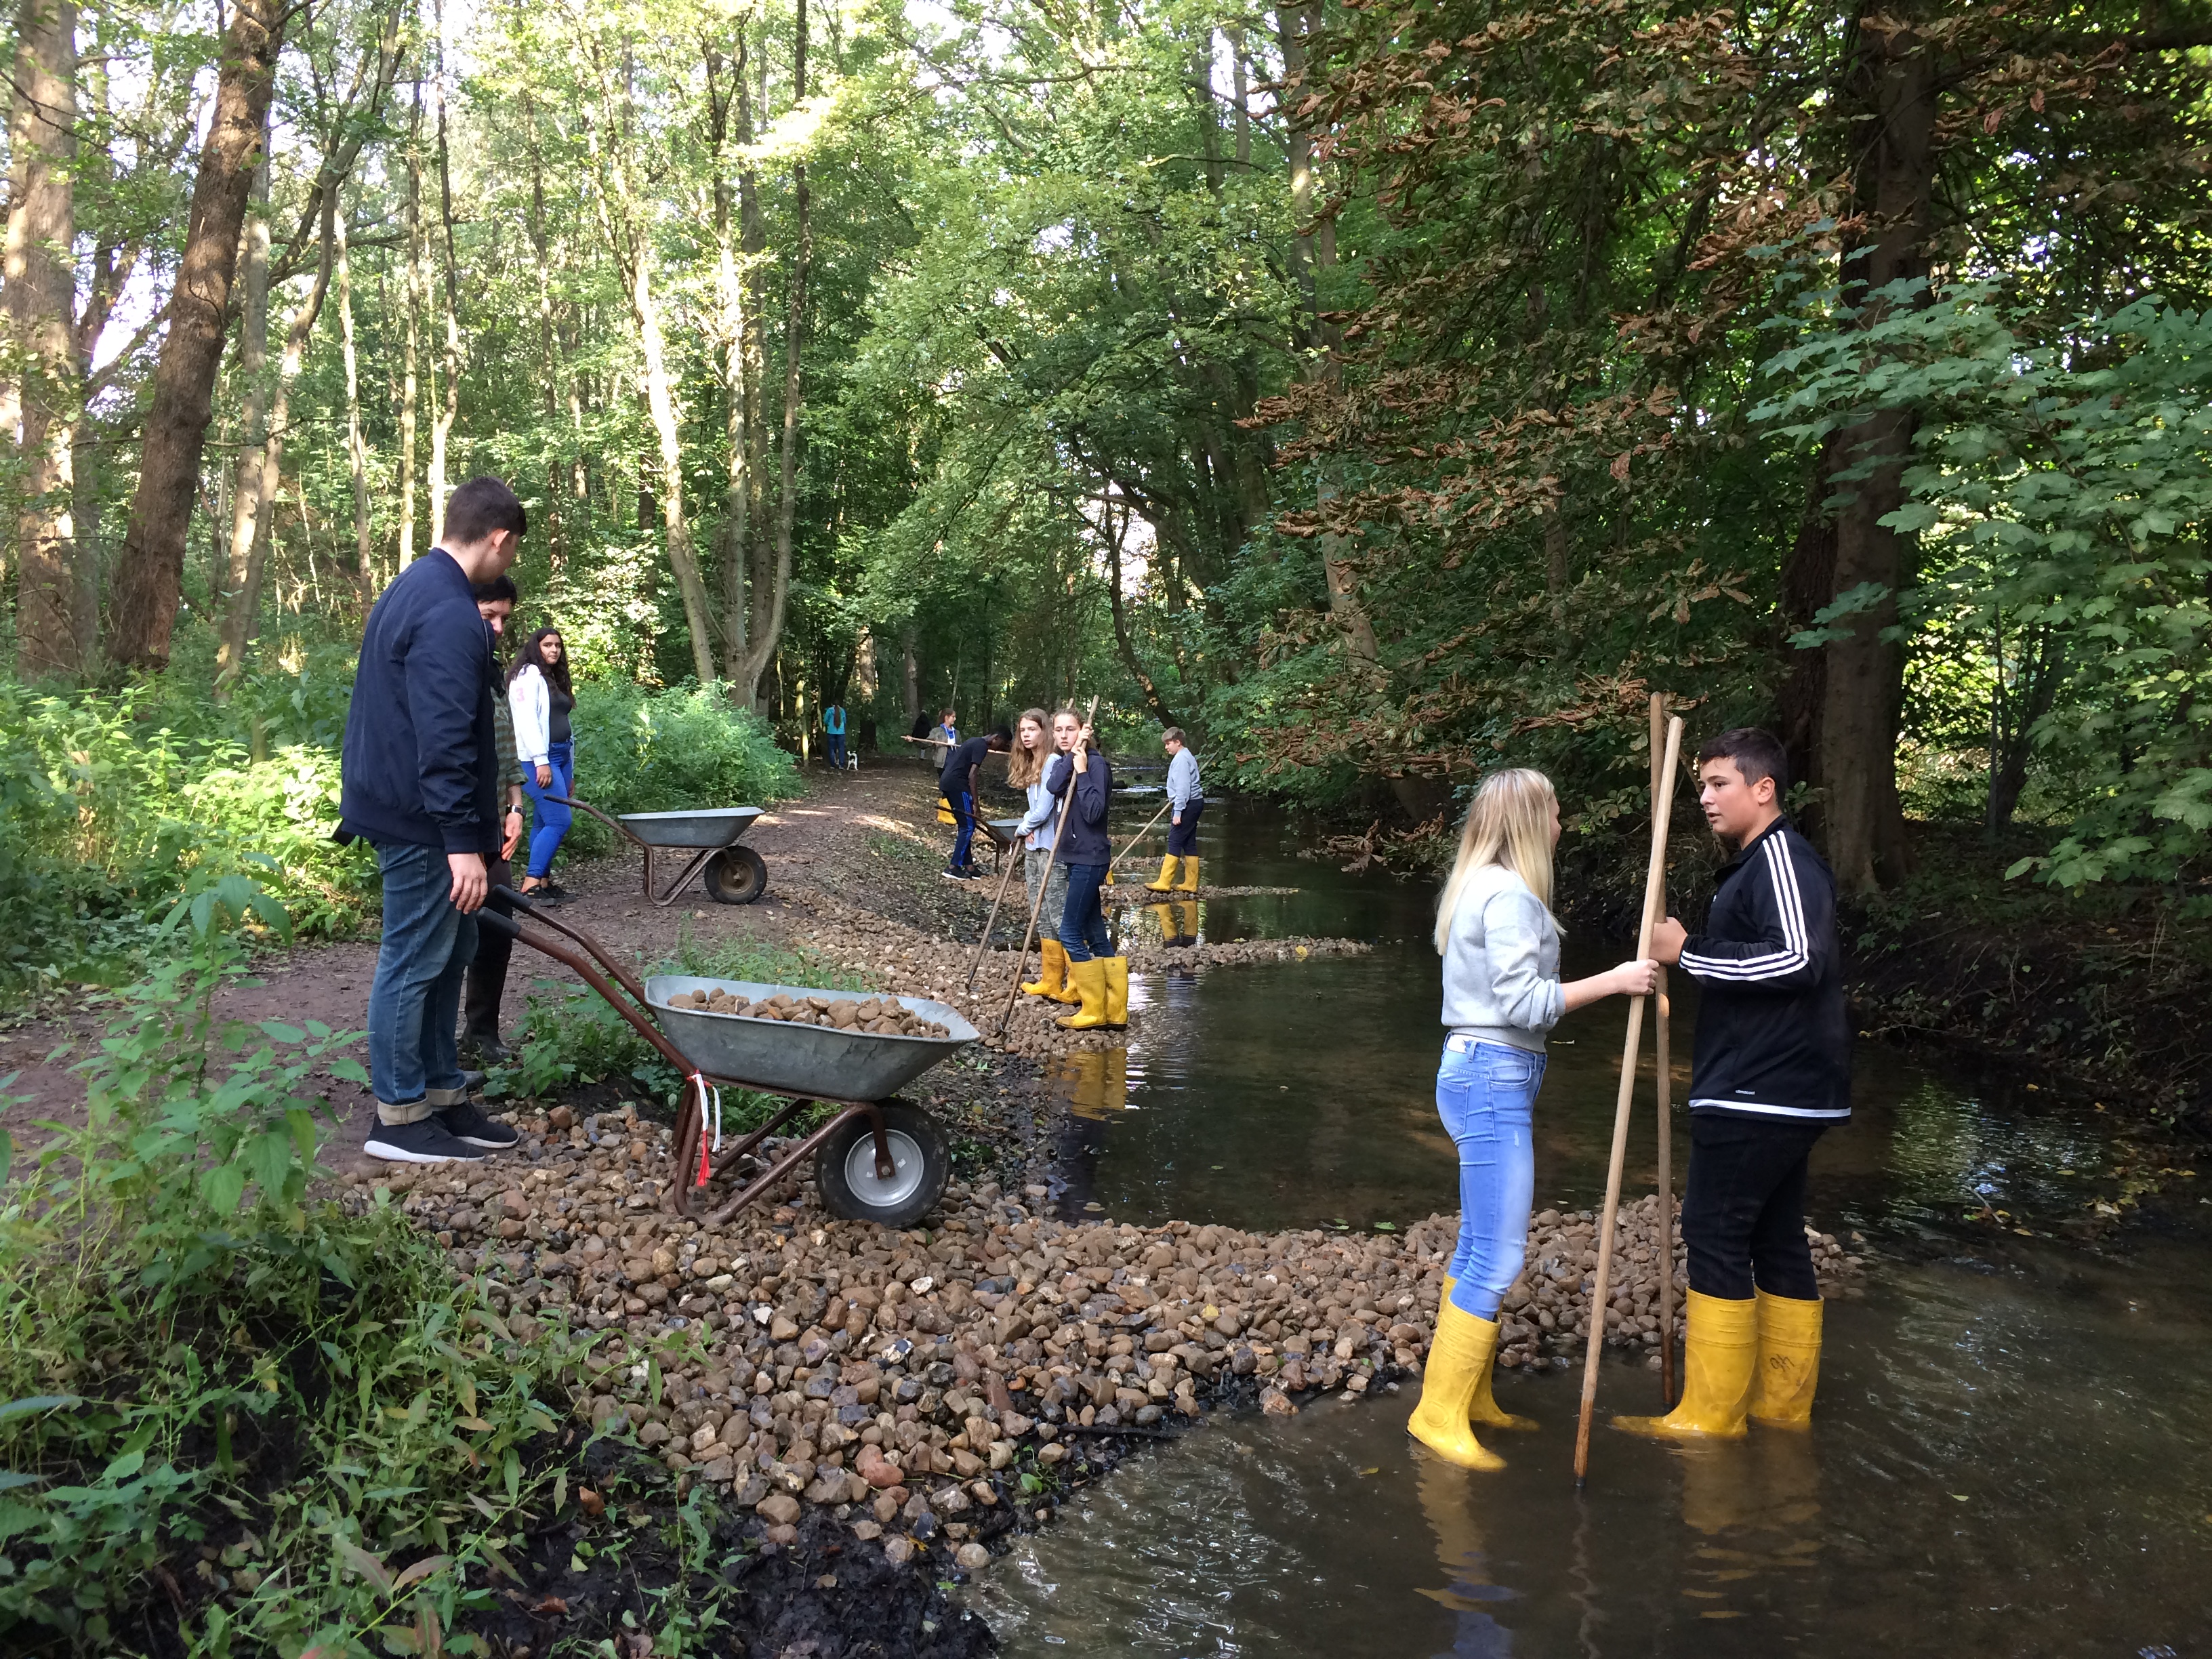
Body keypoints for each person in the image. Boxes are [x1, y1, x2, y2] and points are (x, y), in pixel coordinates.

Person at [1406, 768, 1657, 1469]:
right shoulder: (1510, 896)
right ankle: (1438, 1415)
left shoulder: (1477, 884)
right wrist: (1618, 979)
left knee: (1478, 1245)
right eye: (1553, 811)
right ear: (1527, 822)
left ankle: (1471, 1398)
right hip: (1491, 1074)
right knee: (1500, 1255)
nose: (1561, 823)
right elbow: (1526, 1005)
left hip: (1479, 1070)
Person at [1616, 728, 1846, 1441]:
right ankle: (1781, 1410)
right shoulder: (1757, 863)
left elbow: (1800, 959)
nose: (1706, 799)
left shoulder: (1781, 857)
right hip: (1778, 1087)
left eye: (1720, 784)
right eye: (1701, 786)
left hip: (1762, 1087)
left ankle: (1710, 1420)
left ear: (1763, 788)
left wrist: (1688, 953)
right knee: (1775, 1238)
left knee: (1714, 1233)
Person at [342, 476, 528, 1165]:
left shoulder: (414, 588)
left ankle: (442, 1095)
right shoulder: (448, 611)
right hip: (419, 821)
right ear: (499, 539)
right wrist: (460, 843)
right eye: (513, 551)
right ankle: (398, 1115)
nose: (510, 562)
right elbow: (444, 735)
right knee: (414, 959)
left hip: (423, 814)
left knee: (451, 953)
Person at [462, 575, 529, 1065]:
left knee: (499, 920)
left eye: (505, 618)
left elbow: (507, 745)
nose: (500, 627)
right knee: (445, 938)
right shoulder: (449, 667)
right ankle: (427, 1052)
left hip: (491, 822)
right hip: (453, 825)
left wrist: (515, 807)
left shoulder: (491, 672)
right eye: (490, 616)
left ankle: (481, 1032)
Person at [1046, 710, 1124, 1029]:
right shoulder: (1065, 761)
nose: (1064, 735)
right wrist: (1071, 760)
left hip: (1090, 858)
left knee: (1069, 932)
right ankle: (1115, 1011)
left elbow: (1094, 813)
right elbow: (1052, 786)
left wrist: (1083, 771)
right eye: (1059, 730)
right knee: (1095, 933)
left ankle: (1093, 1009)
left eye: (1071, 729)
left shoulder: (1096, 765)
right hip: (1074, 856)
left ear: (1084, 731)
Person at [1010, 708, 1078, 1002]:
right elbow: (1034, 809)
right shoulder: (1032, 761)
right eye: (1022, 730)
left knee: (1058, 912)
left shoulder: (1051, 762)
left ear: (1044, 731)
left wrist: (1024, 827)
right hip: (1034, 845)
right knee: (1040, 913)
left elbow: (1045, 808)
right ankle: (1051, 979)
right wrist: (1029, 826)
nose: (1026, 735)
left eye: (1032, 730)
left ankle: (1076, 982)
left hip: (1052, 846)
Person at [510, 625, 576, 903]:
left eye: (558, 645)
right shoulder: (528, 675)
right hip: (537, 758)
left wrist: (570, 769)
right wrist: (541, 761)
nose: (554, 650)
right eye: (548, 645)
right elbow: (527, 721)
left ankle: (543, 882)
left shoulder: (553, 677)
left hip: (561, 755)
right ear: (536, 647)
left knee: (544, 819)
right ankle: (530, 884)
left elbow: (562, 722)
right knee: (560, 819)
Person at [940, 722, 1012, 880]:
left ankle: (969, 867)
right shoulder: (981, 746)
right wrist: (975, 804)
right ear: (996, 738)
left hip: (948, 782)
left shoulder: (973, 741)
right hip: (958, 785)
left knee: (965, 825)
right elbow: (972, 775)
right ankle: (953, 867)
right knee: (968, 826)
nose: (1000, 748)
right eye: (1003, 744)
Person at [1145, 725, 1204, 893]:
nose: (1166, 747)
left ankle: (1164, 882)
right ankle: (1190, 884)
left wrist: (1178, 811)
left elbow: (1183, 788)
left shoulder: (1181, 760)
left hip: (1187, 805)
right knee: (1189, 842)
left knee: (1175, 840)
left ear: (1178, 742)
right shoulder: (1186, 755)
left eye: (1168, 743)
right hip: (1194, 802)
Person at [823, 697, 848, 771]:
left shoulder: (829, 710)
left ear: (832, 704)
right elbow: (845, 721)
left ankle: (833, 764)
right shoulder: (842, 711)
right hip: (841, 732)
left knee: (831, 748)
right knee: (841, 748)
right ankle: (841, 764)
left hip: (831, 732)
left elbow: (825, 721)